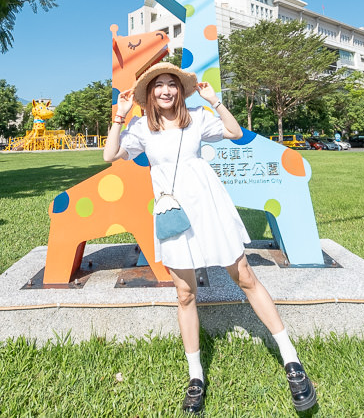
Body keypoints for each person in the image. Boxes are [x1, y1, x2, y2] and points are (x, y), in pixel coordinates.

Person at [103, 62, 318, 414]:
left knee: (245, 276)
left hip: (210, 206)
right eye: (159, 86)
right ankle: (196, 377)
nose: (166, 90)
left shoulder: (198, 118)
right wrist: (119, 117)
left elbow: (234, 132)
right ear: (150, 94)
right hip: (174, 214)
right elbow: (110, 155)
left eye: (172, 84)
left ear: (180, 90)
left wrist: (215, 101)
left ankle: (291, 360)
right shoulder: (142, 128)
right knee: (185, 293)